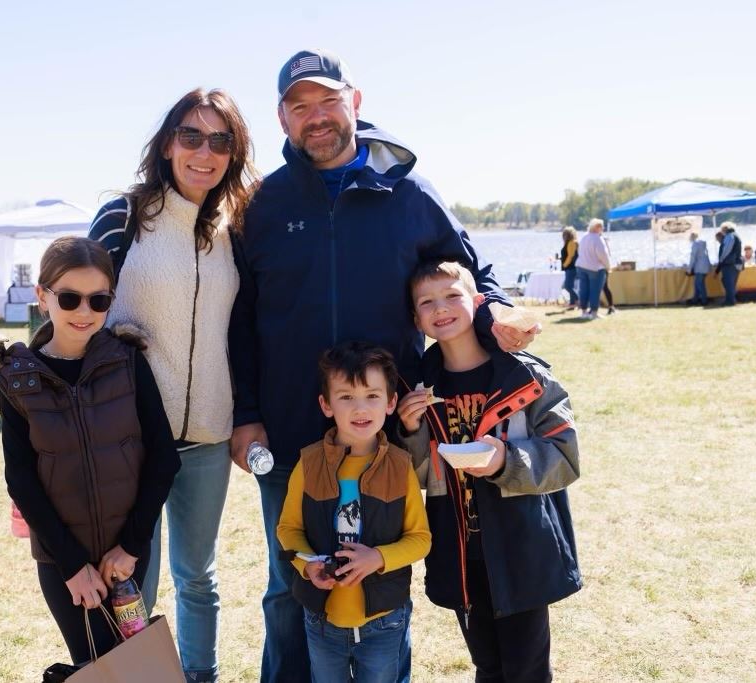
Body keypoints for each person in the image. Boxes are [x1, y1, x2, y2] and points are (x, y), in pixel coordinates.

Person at [227, 48, 536, 682]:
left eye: (328, 101)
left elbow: (469, 273)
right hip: (291, 433)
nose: (316, 117)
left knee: (385, 573)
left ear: (355, 102)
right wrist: (247, 415)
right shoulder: (261, 205)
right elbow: (241, 320)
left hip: (389, 436)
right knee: (291, 584)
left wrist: (497, 314)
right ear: (282, 118)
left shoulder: (411, 194)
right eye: (299, 106)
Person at [88, 87, 256, 683]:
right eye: (191, 136)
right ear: (166, 144)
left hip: (209, 432)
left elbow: (242, 330)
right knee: (134, 581)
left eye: (220, 140)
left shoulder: (234, 229)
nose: (204, 152)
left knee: (199, 577)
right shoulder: (124, 217)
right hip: (132, 438)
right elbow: (79, 313)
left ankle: (200, 677)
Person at [0, 236, 181, 666]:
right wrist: (71, 565)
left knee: (135, 662)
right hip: (61, 560)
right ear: (42, 297)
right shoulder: (15, 380)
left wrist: (130, 546)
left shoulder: (127, 362)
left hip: (125, 554)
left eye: (99, 299)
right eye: (69, 298)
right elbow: (22, 479)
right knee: (91, 665)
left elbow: (164, 457)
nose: (85, 312)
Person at [397, 260, 581, 683]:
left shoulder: (524, 375)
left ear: (479, 302)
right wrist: (409, 430)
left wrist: (505, 461)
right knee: (488, 667)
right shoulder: (417, 388)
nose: (440, 308)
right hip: (460, 552)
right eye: (427, 302)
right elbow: (418, 477)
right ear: (415, 318)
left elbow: (565, 455)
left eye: (452, 296)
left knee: (526, 671)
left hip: (521, 545)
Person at [277, 341, 430, 682]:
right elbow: (288, 529)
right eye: (346, 397)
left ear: (391, 403)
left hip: (384, 620)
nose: (360, 408)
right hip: (322, 621)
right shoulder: (309, 462)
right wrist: (307, 566)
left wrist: (377, 557)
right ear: (326, 404)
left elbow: (420, 539)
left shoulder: (400, 466)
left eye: (372, 396)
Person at [574, 218, 611, 319]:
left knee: (583, 290)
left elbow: (579, 252)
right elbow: (603, 255)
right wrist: (608, 267)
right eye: (601, 227)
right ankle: (594, 313)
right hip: (595, 268)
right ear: (597, 227)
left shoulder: (584, 237)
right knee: (595, 290)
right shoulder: (598, 239)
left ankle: (584, 312)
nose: (602, 229)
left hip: (581, 266)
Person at [716, 222, 743, 306]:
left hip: (730, 263)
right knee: (731, 283)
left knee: (728, 283)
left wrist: (721, 259)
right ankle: (731, 299)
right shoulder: (736, 235)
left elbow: (726, 250)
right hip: (737, 263)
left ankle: (730, 301)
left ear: (725, 229)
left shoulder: (730, 236)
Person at [686, 232, 711, 306]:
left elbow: (693, 257)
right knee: (698, 284)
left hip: (699, 267)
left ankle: (704, 300)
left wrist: (689, 269)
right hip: (705, 266)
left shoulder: (695, 244)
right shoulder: (703, 244)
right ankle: (695, 299)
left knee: (699, 284)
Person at [559, 227, 579, 309]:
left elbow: (571, 256)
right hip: (570, 268)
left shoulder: (571, 243)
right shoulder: (570, 243)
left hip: (571, 268)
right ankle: (572, 303)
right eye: (564, 234)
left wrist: (565, 264)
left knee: (567, 286)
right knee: (570, 286)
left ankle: (579, 300)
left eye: (566, 234)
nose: (564, 236)